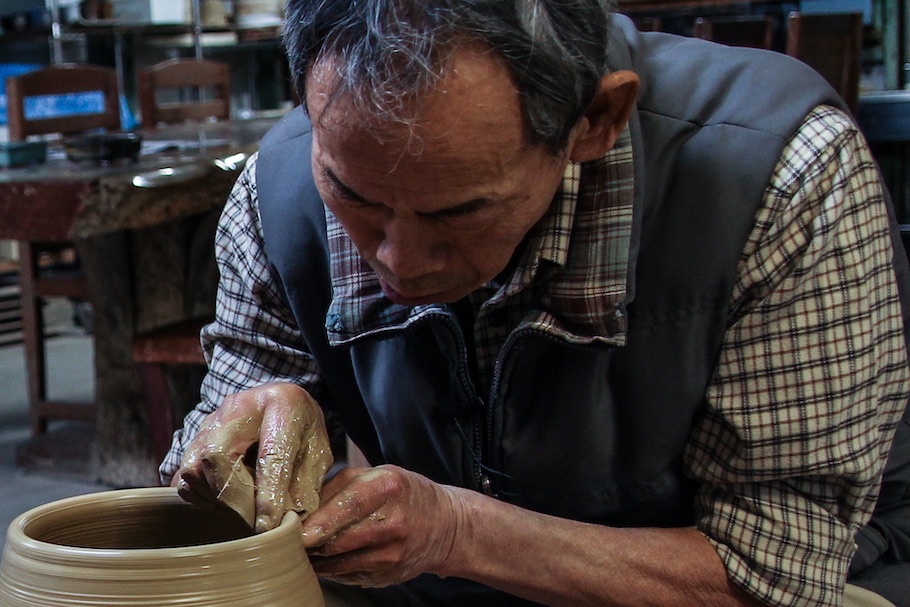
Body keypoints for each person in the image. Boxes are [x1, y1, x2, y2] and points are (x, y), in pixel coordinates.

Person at [161, 1, 910, 605]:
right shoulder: (279, 189)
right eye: (354, 196)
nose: (398, 260)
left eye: (458, 211)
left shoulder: (781, 179)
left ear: (595, 123)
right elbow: (209, 487)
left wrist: (457, 530)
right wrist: (249, 436)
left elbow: (773, 575)